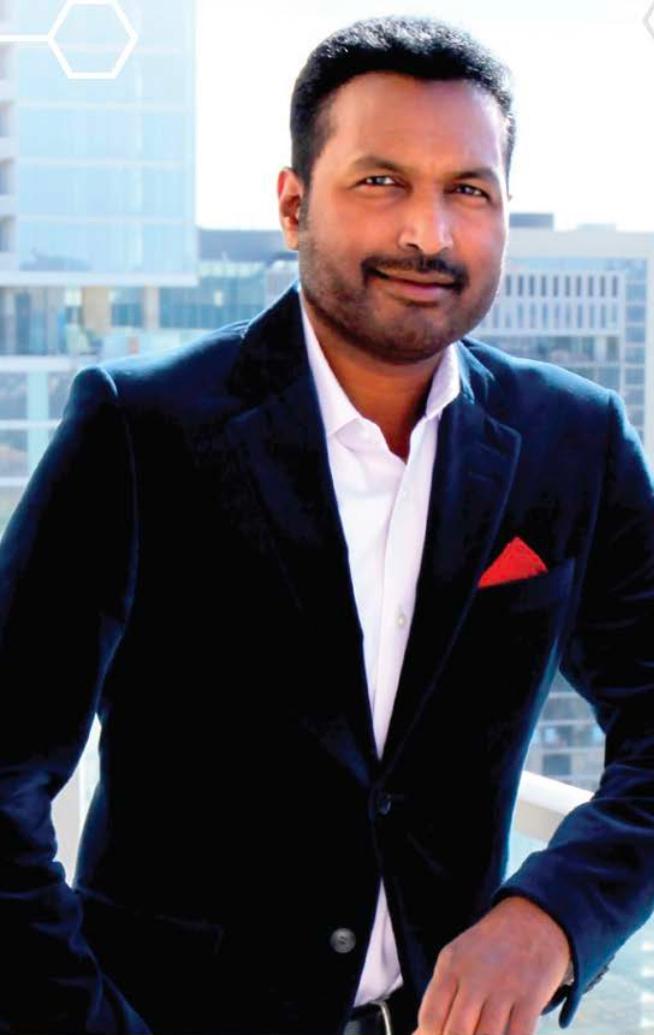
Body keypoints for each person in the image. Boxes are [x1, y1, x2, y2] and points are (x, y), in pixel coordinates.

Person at [1, 13, 653, 1035]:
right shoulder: (139, 429)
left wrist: (557, 914)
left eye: (469, 190)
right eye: (381, 181)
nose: (429, 234)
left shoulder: (575, 440)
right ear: (294, 203)